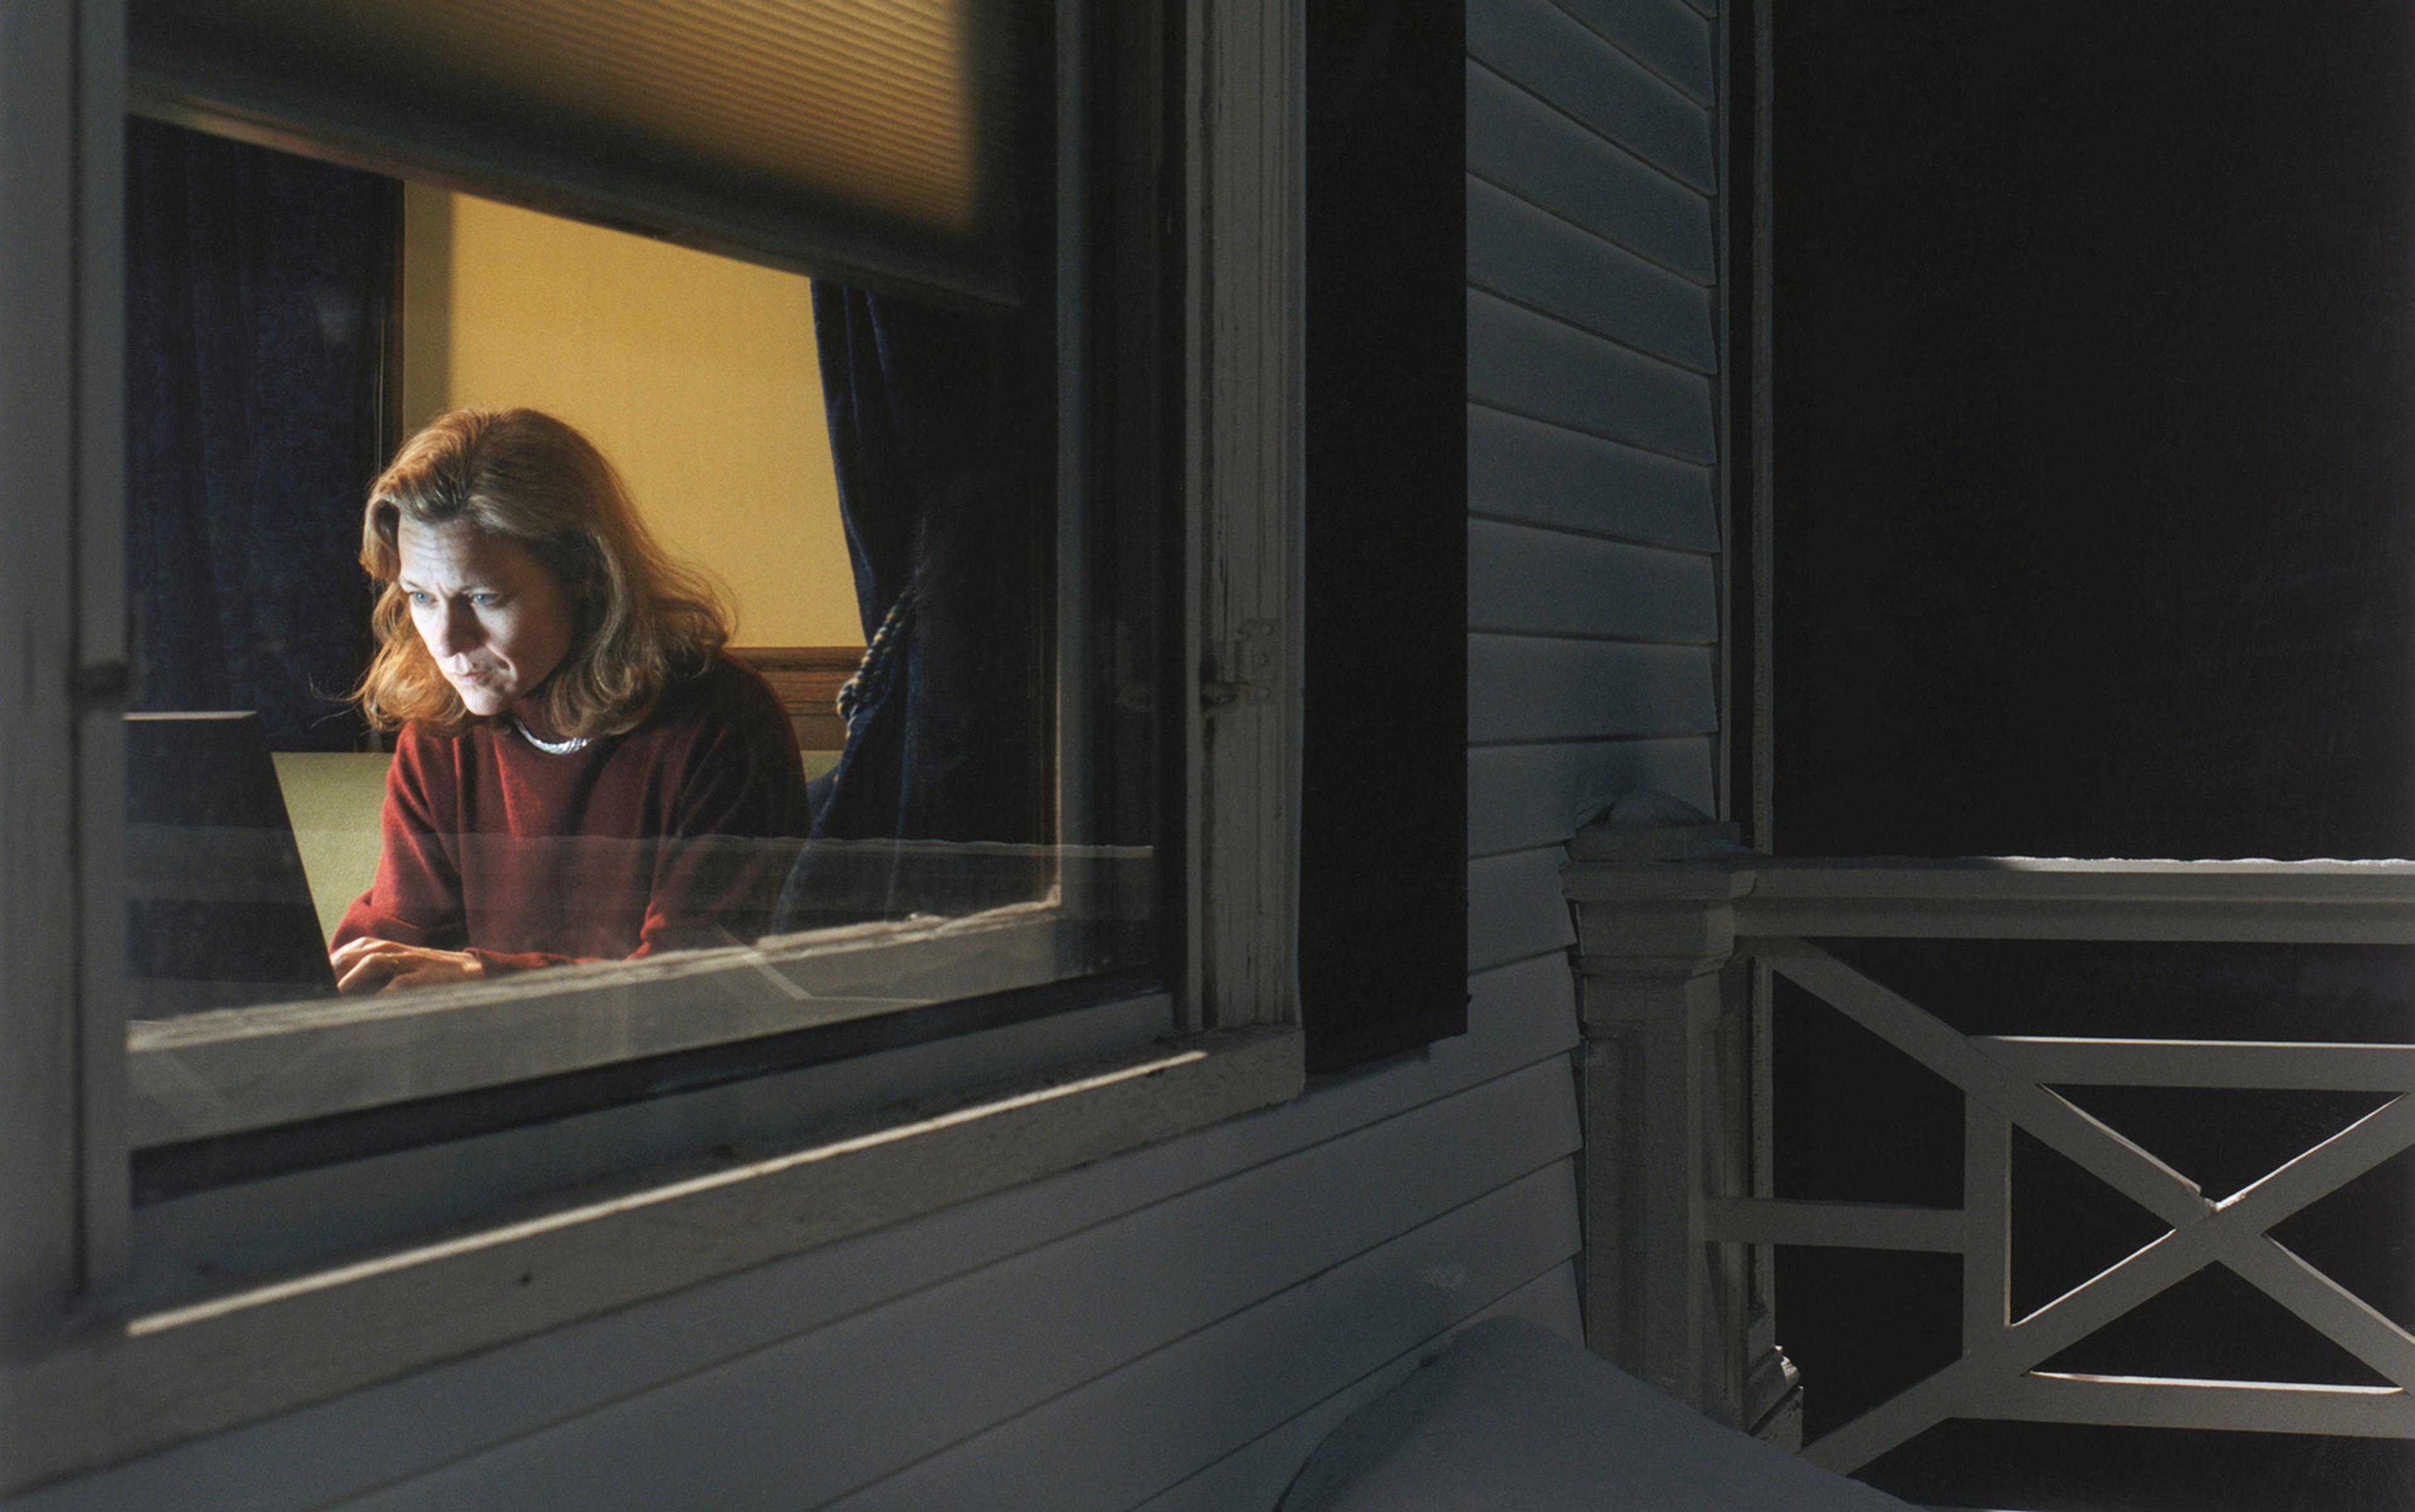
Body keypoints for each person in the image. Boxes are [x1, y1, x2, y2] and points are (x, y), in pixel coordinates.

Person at [330, 407, 812, 994]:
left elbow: (697, 989)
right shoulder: (440, 734)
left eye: (482, 597)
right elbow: (399, 936)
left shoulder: (723, 725)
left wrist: (482, 977)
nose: (447, 644)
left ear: (585, 573)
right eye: (421, 597)